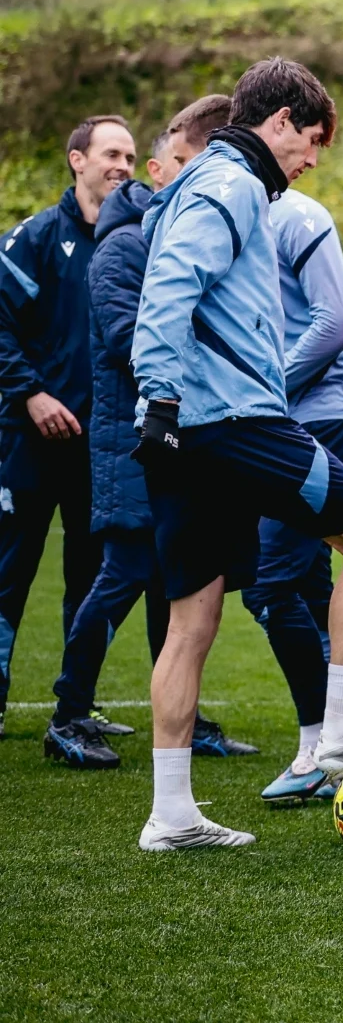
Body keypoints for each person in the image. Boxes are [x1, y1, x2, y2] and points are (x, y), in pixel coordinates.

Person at [132, 58, 343, 850]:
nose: (310, 161)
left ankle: (171, 815)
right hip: (233, 422)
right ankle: (340, 730)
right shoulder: (227, 184)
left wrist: (160, 408)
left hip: (192, 428)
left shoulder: (206, 187)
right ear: (282, 120)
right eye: (311, 143)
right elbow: (168, 287)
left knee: (191, 620)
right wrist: (160, 394)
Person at [46, 100, 247, 769]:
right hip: (131, 445)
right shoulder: (123, 246)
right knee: (124, 576)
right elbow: (129, 340)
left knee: (177, 582)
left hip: (177, 440)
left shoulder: (165, 235)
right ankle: (69, 714)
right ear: (166, 172)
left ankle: (182, 719)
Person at [0, 116, 131, 738]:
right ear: (76, 160)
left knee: (91, 575)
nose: (123, 165)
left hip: (99, 445)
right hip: (28, 441)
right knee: (9, 571)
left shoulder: (130, 241)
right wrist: (31, 394)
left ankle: (77, 708)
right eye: (111, 153)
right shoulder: (36, 239)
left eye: (131, 156)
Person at [248, 158, 343, 803]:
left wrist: (263, 391)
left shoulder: (299, 215)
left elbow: (337, 325)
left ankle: (320, 745)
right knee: (309, 587)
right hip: (262, 428)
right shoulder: (221, 222)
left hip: (315, 421)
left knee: (271, 584)